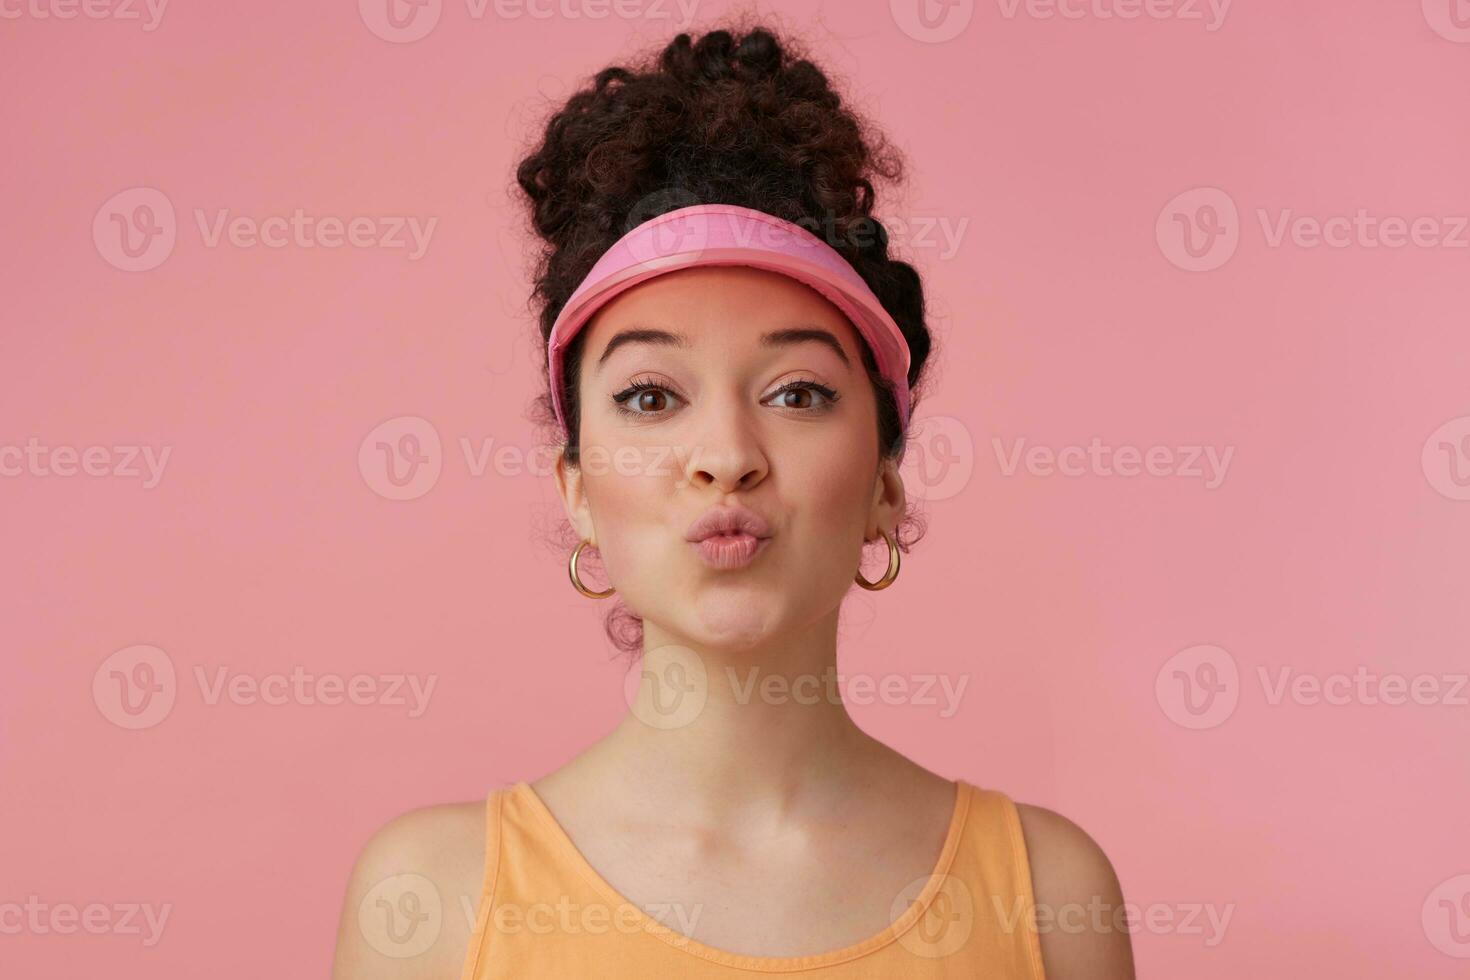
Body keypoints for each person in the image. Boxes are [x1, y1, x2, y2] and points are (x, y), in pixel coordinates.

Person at [332, 22, 1135, 980]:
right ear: (577, 490)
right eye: (650, 397)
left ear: (886, 482)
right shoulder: (430, 901)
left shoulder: (1048, 897)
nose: (725, 457)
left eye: (797, 393)